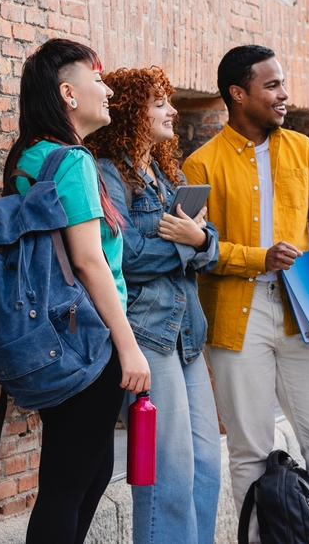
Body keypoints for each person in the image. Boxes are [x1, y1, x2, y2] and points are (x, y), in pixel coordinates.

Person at [182, 45, 309, 544]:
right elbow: (194, 249)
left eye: (282, 84)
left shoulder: (303, 150)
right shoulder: (201, 165)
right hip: (235, 317)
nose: (284, 95)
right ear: (238, 95)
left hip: (302, 311)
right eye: (271, 86)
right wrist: (255, 258)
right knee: (249, 449)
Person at [1, 38, 151, 544]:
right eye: (98, 80)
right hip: (86, 338)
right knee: (71, 484)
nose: (106, 90)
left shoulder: (28, 157)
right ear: (68, 92)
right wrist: (128, 346)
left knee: (82, 475)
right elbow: (88, 259)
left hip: (49, 332)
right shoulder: (71, 162)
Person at [85, 66, 222, 544]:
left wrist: (199, 237)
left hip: (187, 333)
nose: (172, 110)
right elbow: (125, 257)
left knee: (206, 462)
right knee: (169, 470)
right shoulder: (107, 173)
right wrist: (189, 243)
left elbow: (213, 245)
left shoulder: (167, 174)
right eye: (159, 103)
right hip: (148, 332)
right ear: (130, 111)